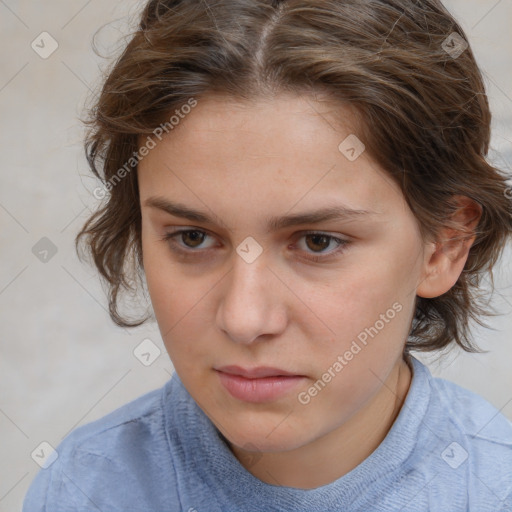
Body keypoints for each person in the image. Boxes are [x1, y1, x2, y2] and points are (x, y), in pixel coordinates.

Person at [23, 0, 512, 510]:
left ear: (445, 244)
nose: (244, 318)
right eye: (192, 237)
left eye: (318, 242)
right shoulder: (81, 490)